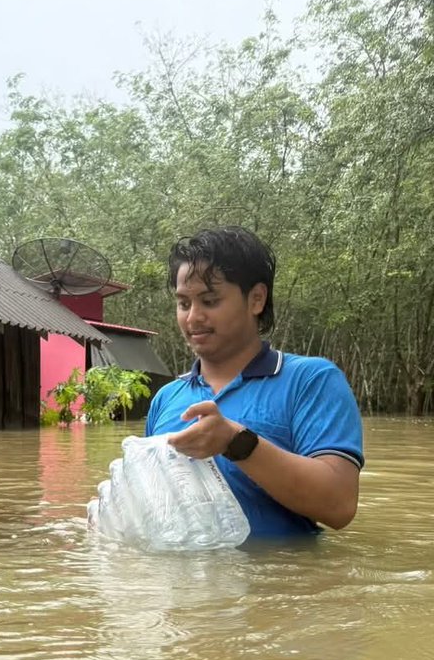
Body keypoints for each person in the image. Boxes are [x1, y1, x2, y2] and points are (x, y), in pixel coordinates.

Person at [145, 226, 363, 538]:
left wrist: (236, 442)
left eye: (209, 301)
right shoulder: (166, 398)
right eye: (183, 303)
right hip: (187, 585)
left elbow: (339, 505)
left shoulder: (311, 380)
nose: (193, 318)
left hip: (279, 584)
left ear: (256, 299)